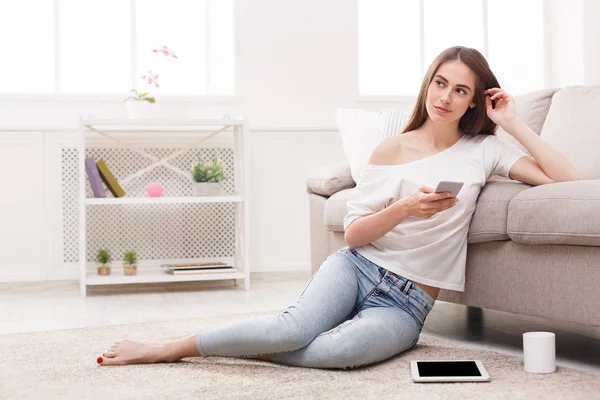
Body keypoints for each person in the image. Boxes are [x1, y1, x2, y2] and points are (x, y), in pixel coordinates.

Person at [97, 46, 579, 369]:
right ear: (427, 85)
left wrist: (511, 121)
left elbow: (566, 179)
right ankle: (171, 348)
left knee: (339, 352)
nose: (445, 97)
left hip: (409, 302)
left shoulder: (484, 150)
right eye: (440, 83)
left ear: (475, 100)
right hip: (357, 266)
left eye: (460, 90)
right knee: (294, 328)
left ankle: (260, 342)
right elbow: (353, 237)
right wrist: (404, 209)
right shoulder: (389, 150)